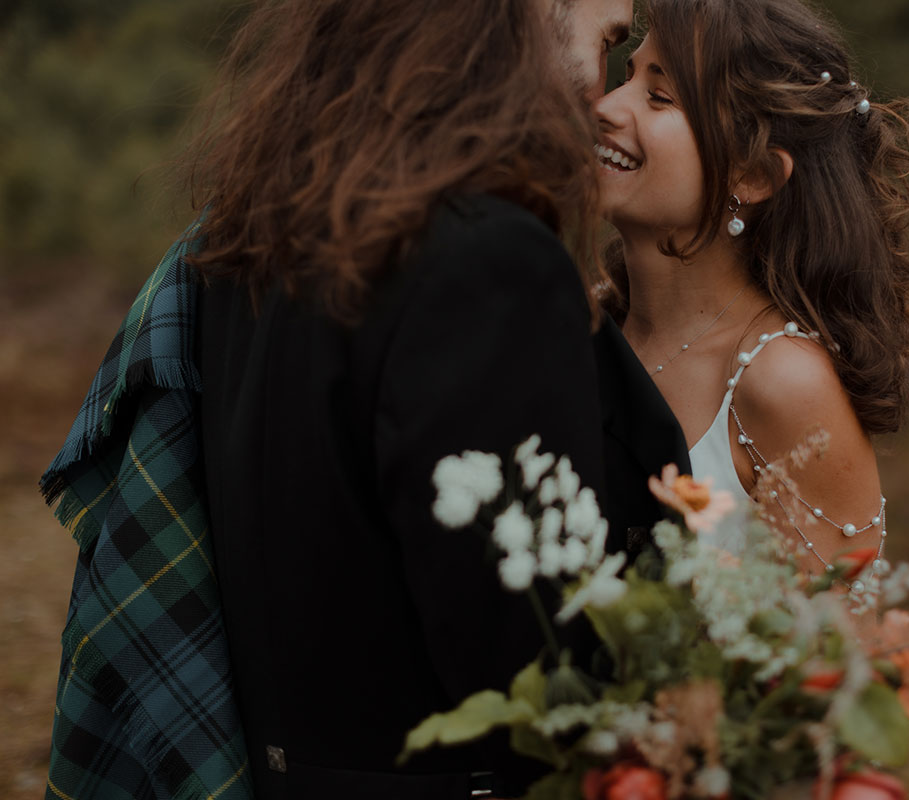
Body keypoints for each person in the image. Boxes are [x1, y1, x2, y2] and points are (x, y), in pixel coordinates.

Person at [40, 0, 691, 798]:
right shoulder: (489, 262)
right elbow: (524, 670)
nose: (599, 90)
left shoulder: (262, 233)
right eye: (607, 40)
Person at [593, 0, 909, 569]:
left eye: (660, 96)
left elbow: (840, 649)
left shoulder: (782, 384)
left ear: (754, 175)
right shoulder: (586, 323)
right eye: (625, 75)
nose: (604, 107)